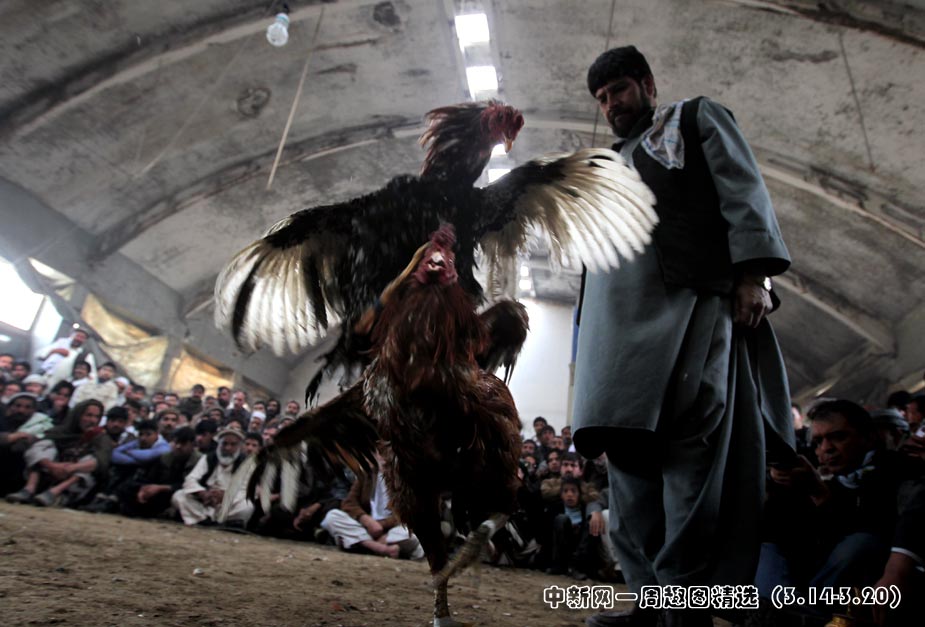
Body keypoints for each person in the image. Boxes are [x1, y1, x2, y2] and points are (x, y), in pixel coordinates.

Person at [572, 46, 793, 627]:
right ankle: (651, 604)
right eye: (601, 98)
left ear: (647, 83)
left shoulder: (693, 119)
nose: (611, 104)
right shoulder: (605, 162)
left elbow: (743, 190)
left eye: (619, 90)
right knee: (629, 476)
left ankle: (684, 609)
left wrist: (753, 275)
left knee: (690, 469)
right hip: (614, 341)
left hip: (688, 312)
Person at [171, 427, 253, 526]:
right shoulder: (208, 458)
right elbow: (190, 479)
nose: (228, 448)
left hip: (228, 504)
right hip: (205, 502)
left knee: (247, 506)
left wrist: (225, 496)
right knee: (179, 496)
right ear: (219, 444)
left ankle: (224, 522)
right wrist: (203, 493)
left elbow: (246, 490)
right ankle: (204, 519)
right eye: (224, 444)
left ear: (239, 446)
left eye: (233, 444)